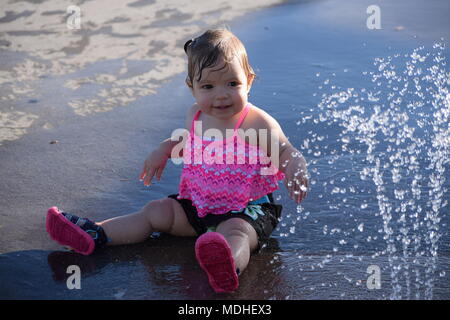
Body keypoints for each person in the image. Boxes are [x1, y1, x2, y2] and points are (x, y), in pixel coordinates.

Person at [46, 28, 308, 293]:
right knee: (155, 212)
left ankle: (227, 264)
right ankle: (97, 234)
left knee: (238, 232)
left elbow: (285, 150)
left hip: (249, 208)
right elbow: (189, 141)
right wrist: (165, 148)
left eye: (232, 84)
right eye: (208, 86)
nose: (221, 94)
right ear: (191, 87)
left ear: (249, 81)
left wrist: (296, 167)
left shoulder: (255, 123)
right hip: (200, 205)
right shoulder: (195, 115)